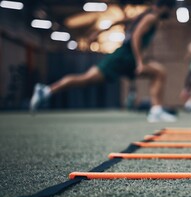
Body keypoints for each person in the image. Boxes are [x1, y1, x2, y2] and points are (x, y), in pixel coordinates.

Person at [30, 0, 177, 123]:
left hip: (125, 57)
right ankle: (47, 90)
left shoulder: (146, 15)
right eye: (170, 10)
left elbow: (123, 21)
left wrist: (100, 32)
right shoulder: (152, 18)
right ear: (165, 7)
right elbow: (136, 36)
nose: (169, 14)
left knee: (158, 72)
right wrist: (140, 61)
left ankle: (47, 91)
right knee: (86, 79)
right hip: (124, 58)